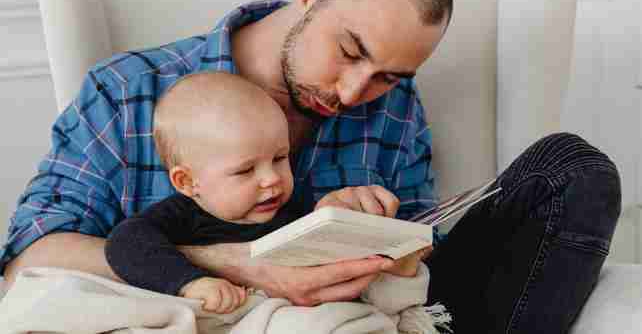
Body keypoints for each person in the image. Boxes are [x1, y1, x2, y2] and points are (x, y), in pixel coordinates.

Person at [2, 0, 621, 333]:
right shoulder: (128, 91)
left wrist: (387, 231)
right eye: (350, 51)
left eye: (386, 75)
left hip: (374, 315)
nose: (354, 93)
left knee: (571, 168)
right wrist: (244, 265)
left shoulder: (394, 103)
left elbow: (418, 251)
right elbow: (29, 259)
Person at [104, 71, 428, 314]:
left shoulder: (296, 211)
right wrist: (190, 282)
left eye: (279, 158)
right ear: (188, 182)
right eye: (246, 170)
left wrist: (387, 255)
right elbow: (123, 244)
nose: (271, 179)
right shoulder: (179, 216)